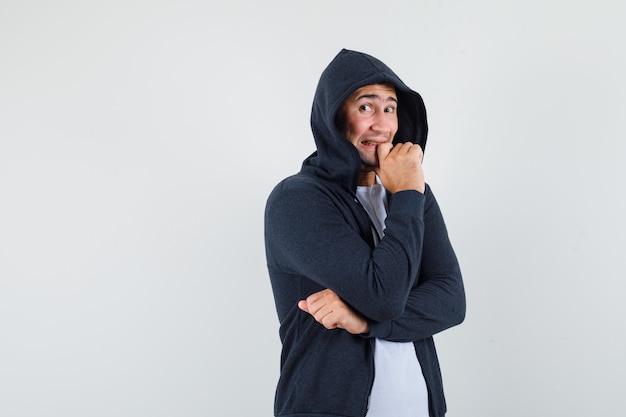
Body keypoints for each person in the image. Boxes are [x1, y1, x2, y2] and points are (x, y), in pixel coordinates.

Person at [264, 48, 466, 417]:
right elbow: (383, 296)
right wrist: (406, 194)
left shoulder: (413, 192)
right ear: (334, 117)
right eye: (366, 108)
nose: (383, 125)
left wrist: (362, 322)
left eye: (390, 109)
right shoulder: (296, 201)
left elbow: (451, 301)